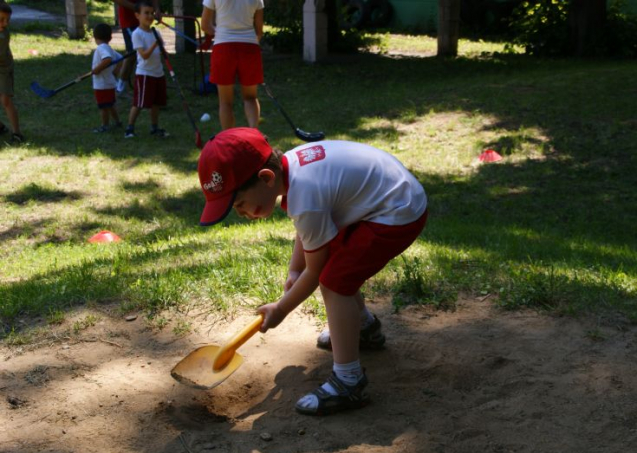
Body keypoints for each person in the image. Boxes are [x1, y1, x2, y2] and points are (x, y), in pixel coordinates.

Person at [197, 129, 428, 415]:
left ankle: (348, 382)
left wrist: (281, 308)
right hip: (384, 198)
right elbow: (309, 234)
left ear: (266, 179)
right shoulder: (293, 171)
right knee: (336, 269)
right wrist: (295, 269)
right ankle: (364, 328)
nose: (242, 214)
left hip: (397, 212)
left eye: (240, 205)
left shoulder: (306, 194)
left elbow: (317, 272)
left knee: (333, 282)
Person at [201, 0, 264, 130]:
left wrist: (219, 33)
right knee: (251, 97)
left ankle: (229, 140)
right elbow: (259, 30)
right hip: (249, 47)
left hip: (223, 47)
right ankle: (254, 134)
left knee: (225, 102)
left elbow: (205, 25)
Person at [124, 2, 168, 139]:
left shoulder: (156, 32)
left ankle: (154, 127)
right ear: (137, 15)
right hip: (145, 74)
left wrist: (163, 50)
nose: (150, 16)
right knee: (139, 103)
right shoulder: (137, 34)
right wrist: (156, 43)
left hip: (158, 72)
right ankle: (129, 128)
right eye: (146, 13)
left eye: (151, 13)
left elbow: (162, 51)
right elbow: (144, 55)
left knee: (156, 103)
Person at [111, 0, 160, 95]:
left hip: (144, 19)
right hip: (129, 21)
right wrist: (139, 8)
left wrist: (157, 9)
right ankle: (121, 86)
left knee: (144, 53)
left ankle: (150, 87)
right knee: (132, 54)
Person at [91, 23, 123, 133]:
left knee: (103, 107)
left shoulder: (101, 48)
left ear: (95, 37)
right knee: (111, 104)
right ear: (110, 37)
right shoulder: (109, 48)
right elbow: (120, 59)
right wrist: (115, 72)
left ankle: (104, 126)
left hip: (102, 85)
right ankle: (117, 122)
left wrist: (97, 69)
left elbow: (107, 59)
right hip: (109, 82)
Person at [0, 2, 22, 143]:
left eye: (7, 20)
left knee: (5, 100)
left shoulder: (3, 35)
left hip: (4, 69)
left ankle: (17, 133)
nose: (5, 23)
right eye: (1, 19)